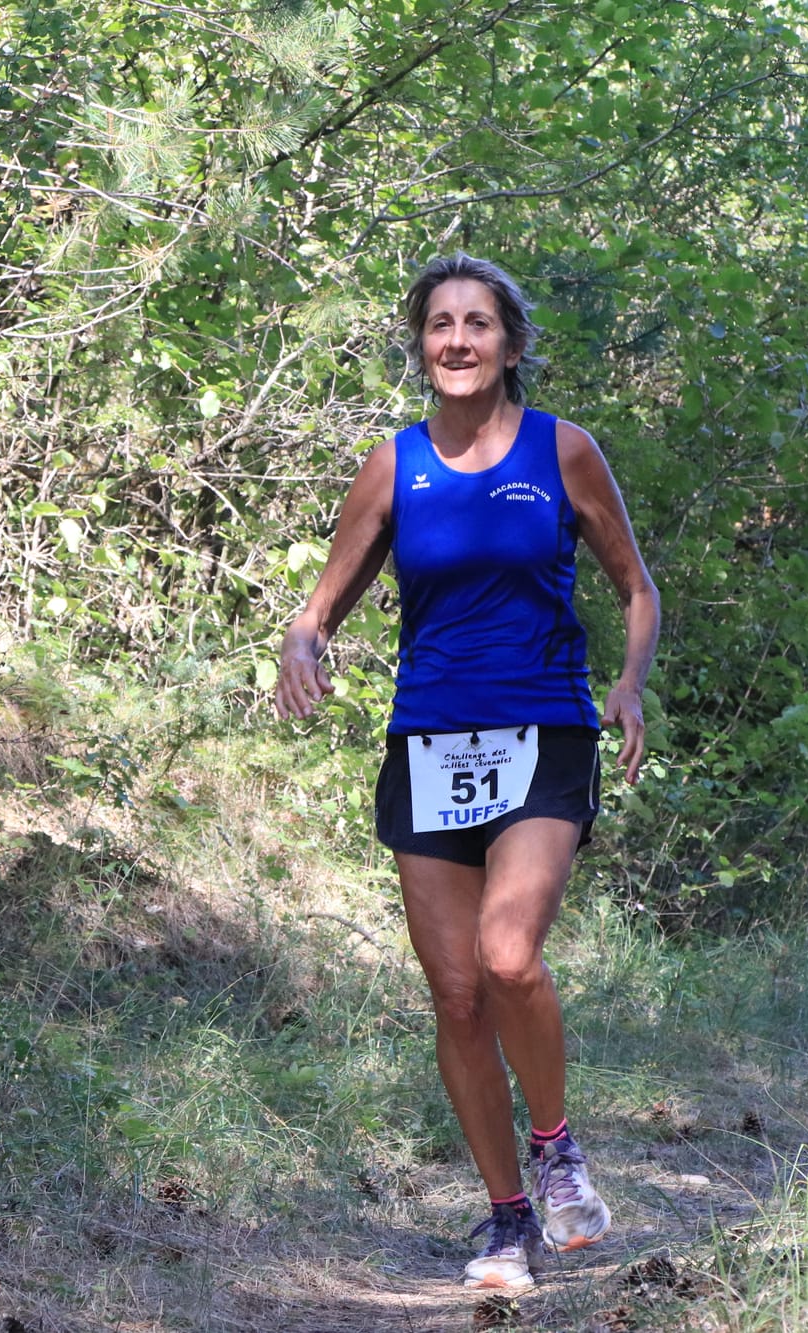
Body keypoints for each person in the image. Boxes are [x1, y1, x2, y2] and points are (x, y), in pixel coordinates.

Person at [274, 254, 660, 1291]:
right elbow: (322, 603)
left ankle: (557, 1148)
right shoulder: (393, 465)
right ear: (421, 345)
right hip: (429, 745)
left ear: (510, 343)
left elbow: (636, 587)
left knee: (507, 956)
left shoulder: (562, 449)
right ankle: (505, 1219)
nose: (457, 340)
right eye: (440, 324)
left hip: (543, 731)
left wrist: (628, 684)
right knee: (454, 996)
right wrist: (302, 647)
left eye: (477, 323)